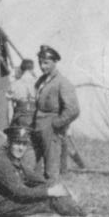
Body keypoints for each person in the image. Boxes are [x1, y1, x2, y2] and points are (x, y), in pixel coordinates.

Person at [0, 126, 88, 217]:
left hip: (10, 201)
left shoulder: (14, 159)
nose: (21, 148)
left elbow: (38, 180)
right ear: (9, 143)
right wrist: (49, 192)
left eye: (24, 144)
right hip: (1, 207)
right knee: (50, 199)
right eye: (17, 143)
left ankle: (80, 216)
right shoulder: (1, 162)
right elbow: (20, 192)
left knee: (51, 188)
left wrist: (62, 189)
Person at [32, 45, 79, 181]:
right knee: (33, 164)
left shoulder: (62, 82)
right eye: (40, 62)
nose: (42, 66)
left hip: (51, 129)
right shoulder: (41, 80)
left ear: (55, 62)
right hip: (37, 127)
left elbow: (73, 109)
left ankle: (54, 198)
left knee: (51, 169)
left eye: (46, 63)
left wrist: (56, 124)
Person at [7, 59, 38, 128]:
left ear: (21, 69)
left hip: (19, 118)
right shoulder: (39, 84)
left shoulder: (14, 85)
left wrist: (10, 122)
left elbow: (10, 108)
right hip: (35, 118)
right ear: (32, 69)